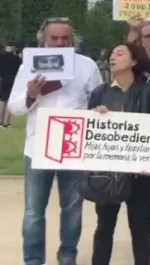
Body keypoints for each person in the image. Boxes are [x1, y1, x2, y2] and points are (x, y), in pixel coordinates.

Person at [9, 17, 103, 265]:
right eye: (55, 38)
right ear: (43, 40)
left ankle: (67, 256)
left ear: (73, 41)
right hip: (38, 146)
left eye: (65, 38)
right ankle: (32, 260)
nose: (60, 42)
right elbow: (14, 107)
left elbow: (98, 100)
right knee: (33, 212)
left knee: (72, 208)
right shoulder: (28, 66)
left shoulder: (87, 65)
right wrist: (30, 95)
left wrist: (100, 109)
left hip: (73, 146)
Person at [88, 43, 150, 265]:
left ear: (133, 62)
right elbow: (90, 135)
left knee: (141, 228)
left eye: (119, 54)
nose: (113, 57)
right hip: (107, 173)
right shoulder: (99, 93)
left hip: (139, 174)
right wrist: (94, 116)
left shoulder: (149, 92)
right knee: (104, 227)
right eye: (111, 54)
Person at [0, 41, 22, 127]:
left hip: (3, 80)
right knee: (10, 101)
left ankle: (1, 121)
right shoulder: (17, 59)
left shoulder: (1, 57)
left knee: (2, 101)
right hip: (13, 80)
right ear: (13, 48)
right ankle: (6, 122)